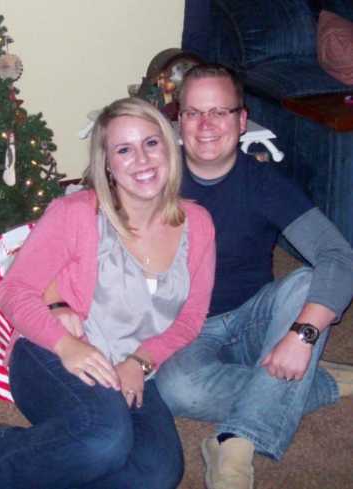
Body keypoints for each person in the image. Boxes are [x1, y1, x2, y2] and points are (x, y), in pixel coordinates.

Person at [0, 97, 216, 489]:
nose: (142, 159)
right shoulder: (76, 213)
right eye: (124, 149)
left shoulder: (199, 224)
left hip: (130, 367)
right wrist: (67, 345)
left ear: (169, 147)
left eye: (151, 143)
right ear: (107, 162)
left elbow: (190, 320)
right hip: (50, 354)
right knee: (104, 439)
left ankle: (9, 444)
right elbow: (15, 291)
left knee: (157, 475)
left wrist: (139, 362)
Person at [154, 63, 353, 489]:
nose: (206, 126)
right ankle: (317, 380)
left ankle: (235, 447)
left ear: (242, 120)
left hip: (255, 319)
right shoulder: (155, 180)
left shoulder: (264, 182)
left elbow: (338, 254)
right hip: (188, 331)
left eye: (220, 112)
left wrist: (303, 334)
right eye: (193, 113)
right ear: (179, 119)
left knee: (304, 282)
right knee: (174, 391)